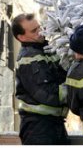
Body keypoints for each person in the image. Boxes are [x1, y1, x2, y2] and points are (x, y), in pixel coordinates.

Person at [12, 13, 69, 145]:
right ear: (21, 37)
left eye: (39, 27)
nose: (40, 32)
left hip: (54, 124)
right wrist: (77, 92)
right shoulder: (28, 58)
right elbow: (46, 93)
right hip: (38, 128)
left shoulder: (46, 49)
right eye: (34, 31)